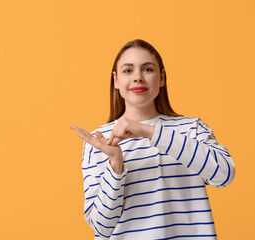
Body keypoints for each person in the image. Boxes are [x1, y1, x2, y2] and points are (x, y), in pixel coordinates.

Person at [69, 39, 235, 240]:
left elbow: (224, 175)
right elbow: (101, 227)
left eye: (148, 69)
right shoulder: (100, 142)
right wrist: (115, 166)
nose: (138, 77)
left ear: (162, 77)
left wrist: (150, 132)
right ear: (116, 80)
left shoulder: (192, 128)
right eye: (128, 70)